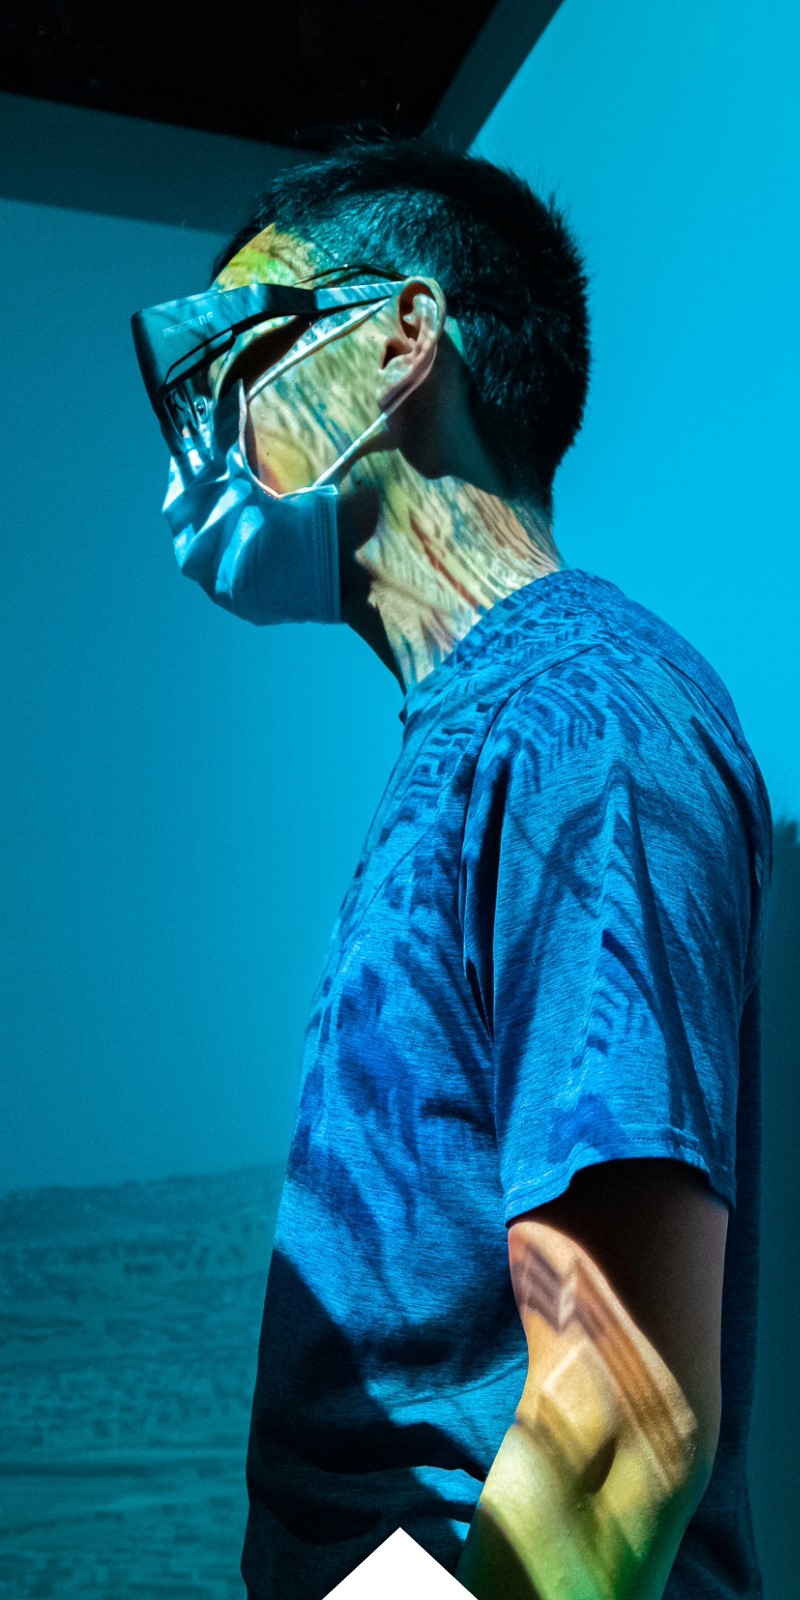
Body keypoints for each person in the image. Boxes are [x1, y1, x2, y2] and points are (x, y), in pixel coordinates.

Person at [132, 135, 773, 1599]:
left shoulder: (584, 725)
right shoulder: (479, 740)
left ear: (400, 342)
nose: (196, 431)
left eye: (226, 357)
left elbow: (622, 1423)